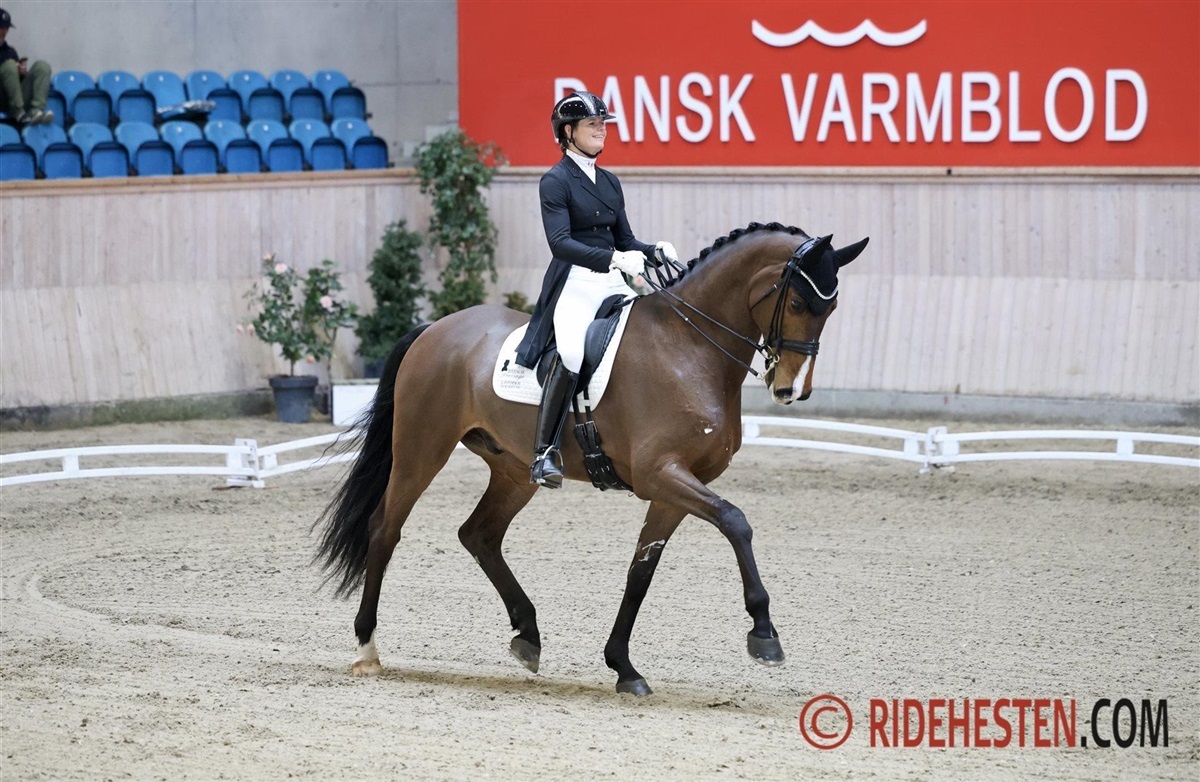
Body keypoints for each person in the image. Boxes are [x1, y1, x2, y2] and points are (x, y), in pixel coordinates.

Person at [515, 91, 678, 488]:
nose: (602, 130)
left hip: (612, 280)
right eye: (593, 124)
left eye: (603, 124)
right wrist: (614, 259)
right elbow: (560, 243)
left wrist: (652, 251)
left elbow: (625, 239)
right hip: (576, 281)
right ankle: (544, 453)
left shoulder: (609, 181)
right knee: (572, 352)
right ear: (568, 132)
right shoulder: (555, 181)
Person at [0, 8, 53, 125]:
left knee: (42, 67)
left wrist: (21, 73)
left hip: (13, 98)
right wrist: (10, 67)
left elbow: (15, 83)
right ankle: (18, 112)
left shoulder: (10, 51)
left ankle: (36, 110)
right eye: (1, 28)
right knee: (9, 66)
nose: (3, 32)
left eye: (6, 28)